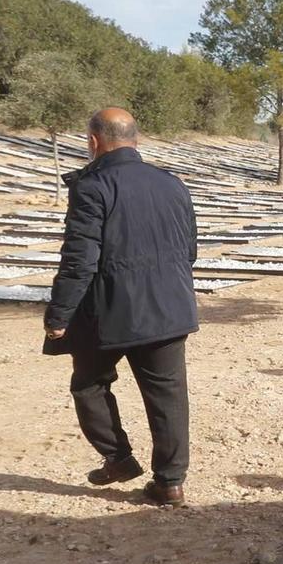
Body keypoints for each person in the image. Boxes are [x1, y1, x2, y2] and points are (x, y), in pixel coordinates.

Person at [44, 108, 199, 507]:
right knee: (168, 395)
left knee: (89, 385)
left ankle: (118, 459)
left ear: (93, 142)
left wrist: (59, 315)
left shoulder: (92, 186)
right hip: (168, 307)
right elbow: (190, 250)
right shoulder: (172, 183)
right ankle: (170, 483)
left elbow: (80, 259)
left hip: (109, 312)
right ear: (137, 139)